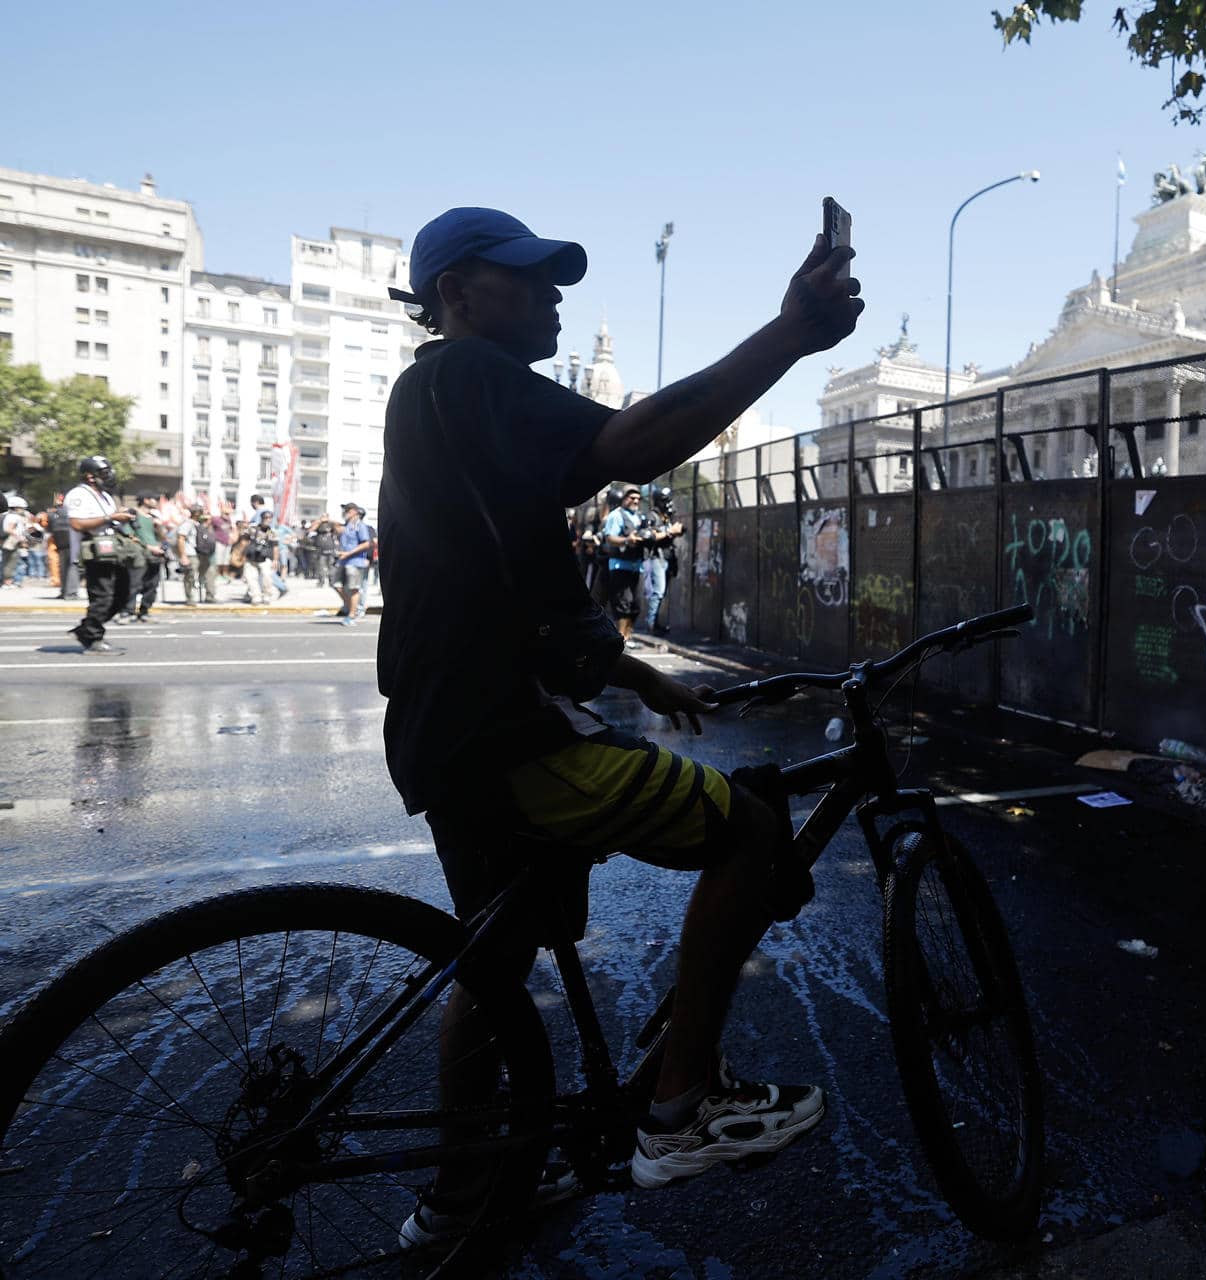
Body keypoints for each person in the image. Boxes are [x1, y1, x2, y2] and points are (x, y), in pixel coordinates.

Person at [377, 205, 860, 1247]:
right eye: (529, 277)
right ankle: (683, 1107)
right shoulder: (469, 374)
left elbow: (499, 575)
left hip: (444, 734)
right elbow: (630, 447)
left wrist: (627, 664)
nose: (553, 295)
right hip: (506, 738)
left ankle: (459, 1199)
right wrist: (790, 333)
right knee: (751, 832)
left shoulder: (443, 403)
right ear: (458, 294)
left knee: (495, 965)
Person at [64, 456, 135, 656]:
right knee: (101, 597)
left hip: (113, 551)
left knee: (123, 594)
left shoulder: (105, 496)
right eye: (104, 473)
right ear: (90, 476)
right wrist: (110, 517)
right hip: (94, 554)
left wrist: (121, 517)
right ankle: (93, 638)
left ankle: (86, 629)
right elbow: (77, 523)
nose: (109, 476)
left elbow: (111, 522)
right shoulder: (78, 495)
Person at [599, 486, 648, 642]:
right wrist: (628, 540)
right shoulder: (616, 515)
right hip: (620, 565)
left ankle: (626, 635)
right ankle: (621, 639)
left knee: (636, 605)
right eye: (631, 497)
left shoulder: (639, 517)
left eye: (638, 498)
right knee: (623, 605)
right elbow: (610, 538)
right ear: (624, 498)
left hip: (637, 565)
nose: (635, 501)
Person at [637, 485, 683, 636]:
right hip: (656, 557)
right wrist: (669, 531)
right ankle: (651, 624)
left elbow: (679, 530)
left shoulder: (667, 516)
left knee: (662, 593)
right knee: (658, 591)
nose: (669, 503)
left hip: (668, 557)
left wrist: (677, 530)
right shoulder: (652, 516)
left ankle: (655, 622)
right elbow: (648, 535)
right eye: (665, 500)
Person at [334, 503, 373, 623]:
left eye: (347, 510)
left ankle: (352, 614)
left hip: (355, 561)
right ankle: (350, 607)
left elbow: (366, 544)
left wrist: (349, 553)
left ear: (354, 512)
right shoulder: (347, 526)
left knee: (353, 588)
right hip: (343, 561)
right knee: (337, 585)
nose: (345, 513)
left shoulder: (359, 526)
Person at [128, 494, 165, 622]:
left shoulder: (154, 518)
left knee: (152, 585)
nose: (156, 502)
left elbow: (162, 537)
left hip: (154, 556)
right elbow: (130, 536)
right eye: (154, 499)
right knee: (134, 584)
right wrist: (149, 547)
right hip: (139, 554)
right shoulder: (134, 515)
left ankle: (144, 611)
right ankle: (129, 612)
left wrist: (158, 527)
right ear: (146, 500)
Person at [176, 504, 206, 607]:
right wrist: (183, 556)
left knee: (195, 576)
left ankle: (194, 596)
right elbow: (181, 539)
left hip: (197, 553)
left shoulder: (197, 524)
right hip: (189, 554)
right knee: (190, 577)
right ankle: (190, 598)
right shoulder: (187, 524)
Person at [1, 496, 29, 588]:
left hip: (9, 542)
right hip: (11, 542)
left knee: (10, 561)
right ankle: (8, 582)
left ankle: (9, 581)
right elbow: (8, 529)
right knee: (11, 562)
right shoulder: (13, 517)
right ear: (16, 507)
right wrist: (20, 537)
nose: (23, 510)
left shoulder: (8, 515)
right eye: (22, 508)